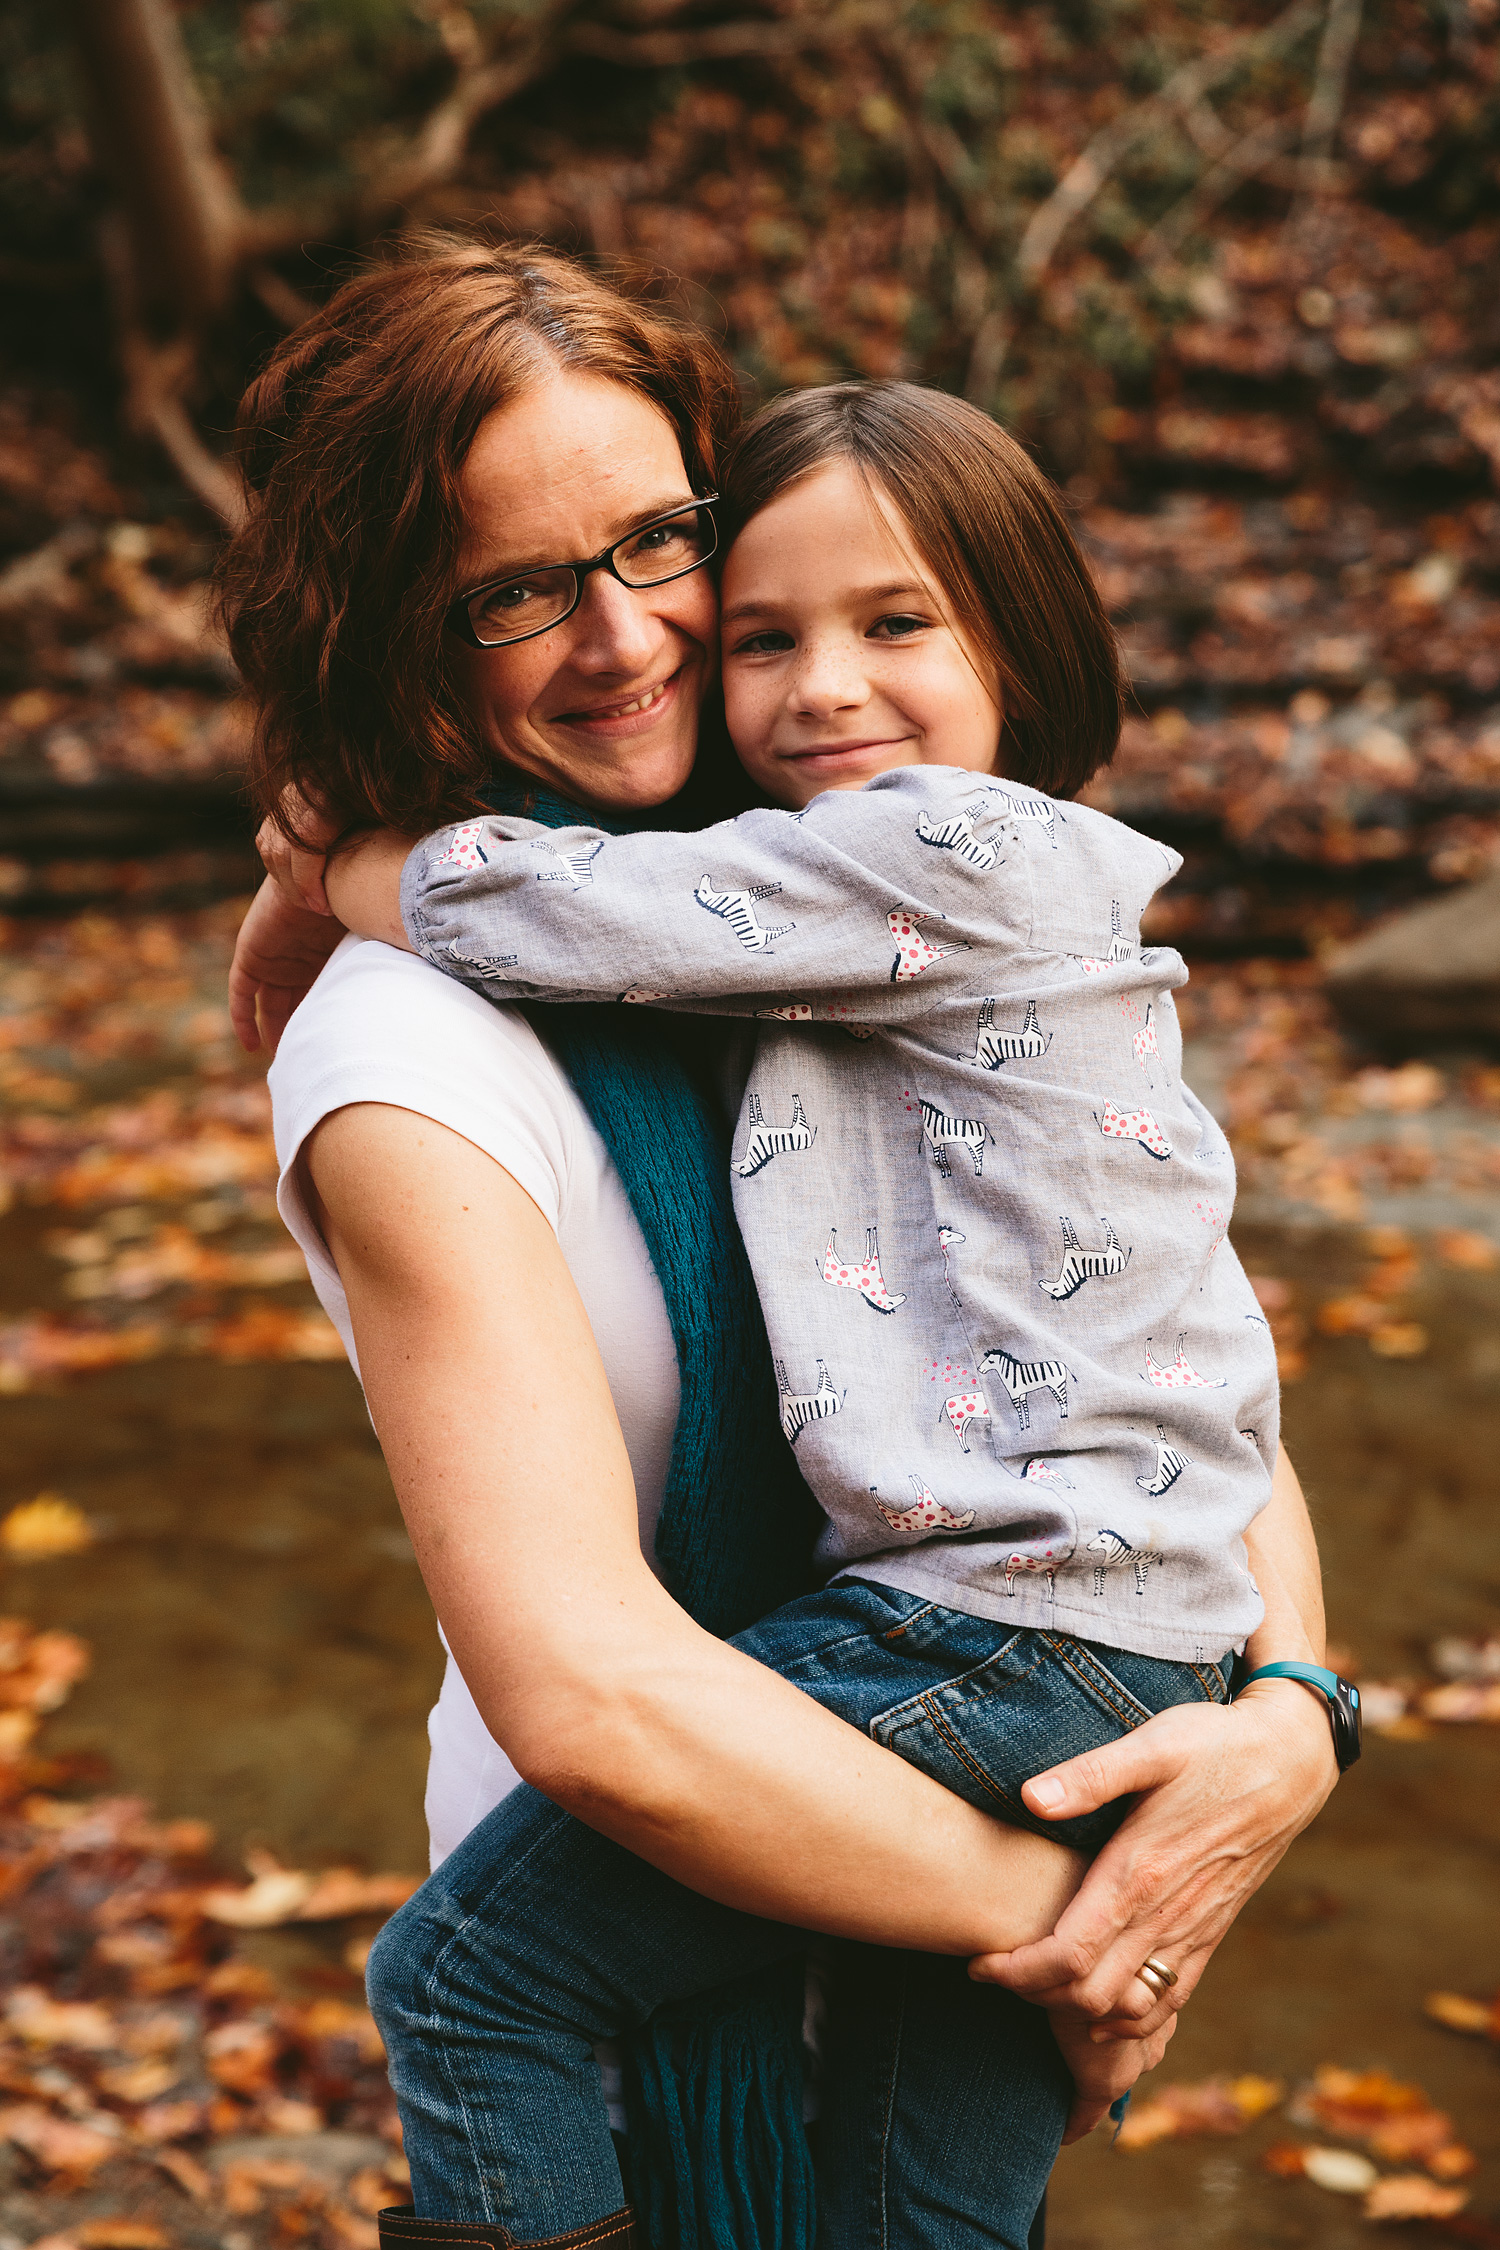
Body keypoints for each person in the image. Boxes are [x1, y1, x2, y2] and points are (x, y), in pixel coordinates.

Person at [225, 238, 1339, 2250]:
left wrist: (1295, 1725)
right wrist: (1076, 1915)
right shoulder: (419, 1051)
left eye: (663, 544)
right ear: (405, 629)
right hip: (681, 1945)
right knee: (472, 1993)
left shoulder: (823, 915)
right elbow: (597, 1706)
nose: (636, 634)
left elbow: (1186, 1360)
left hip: (970, 1738)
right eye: (520, 588)